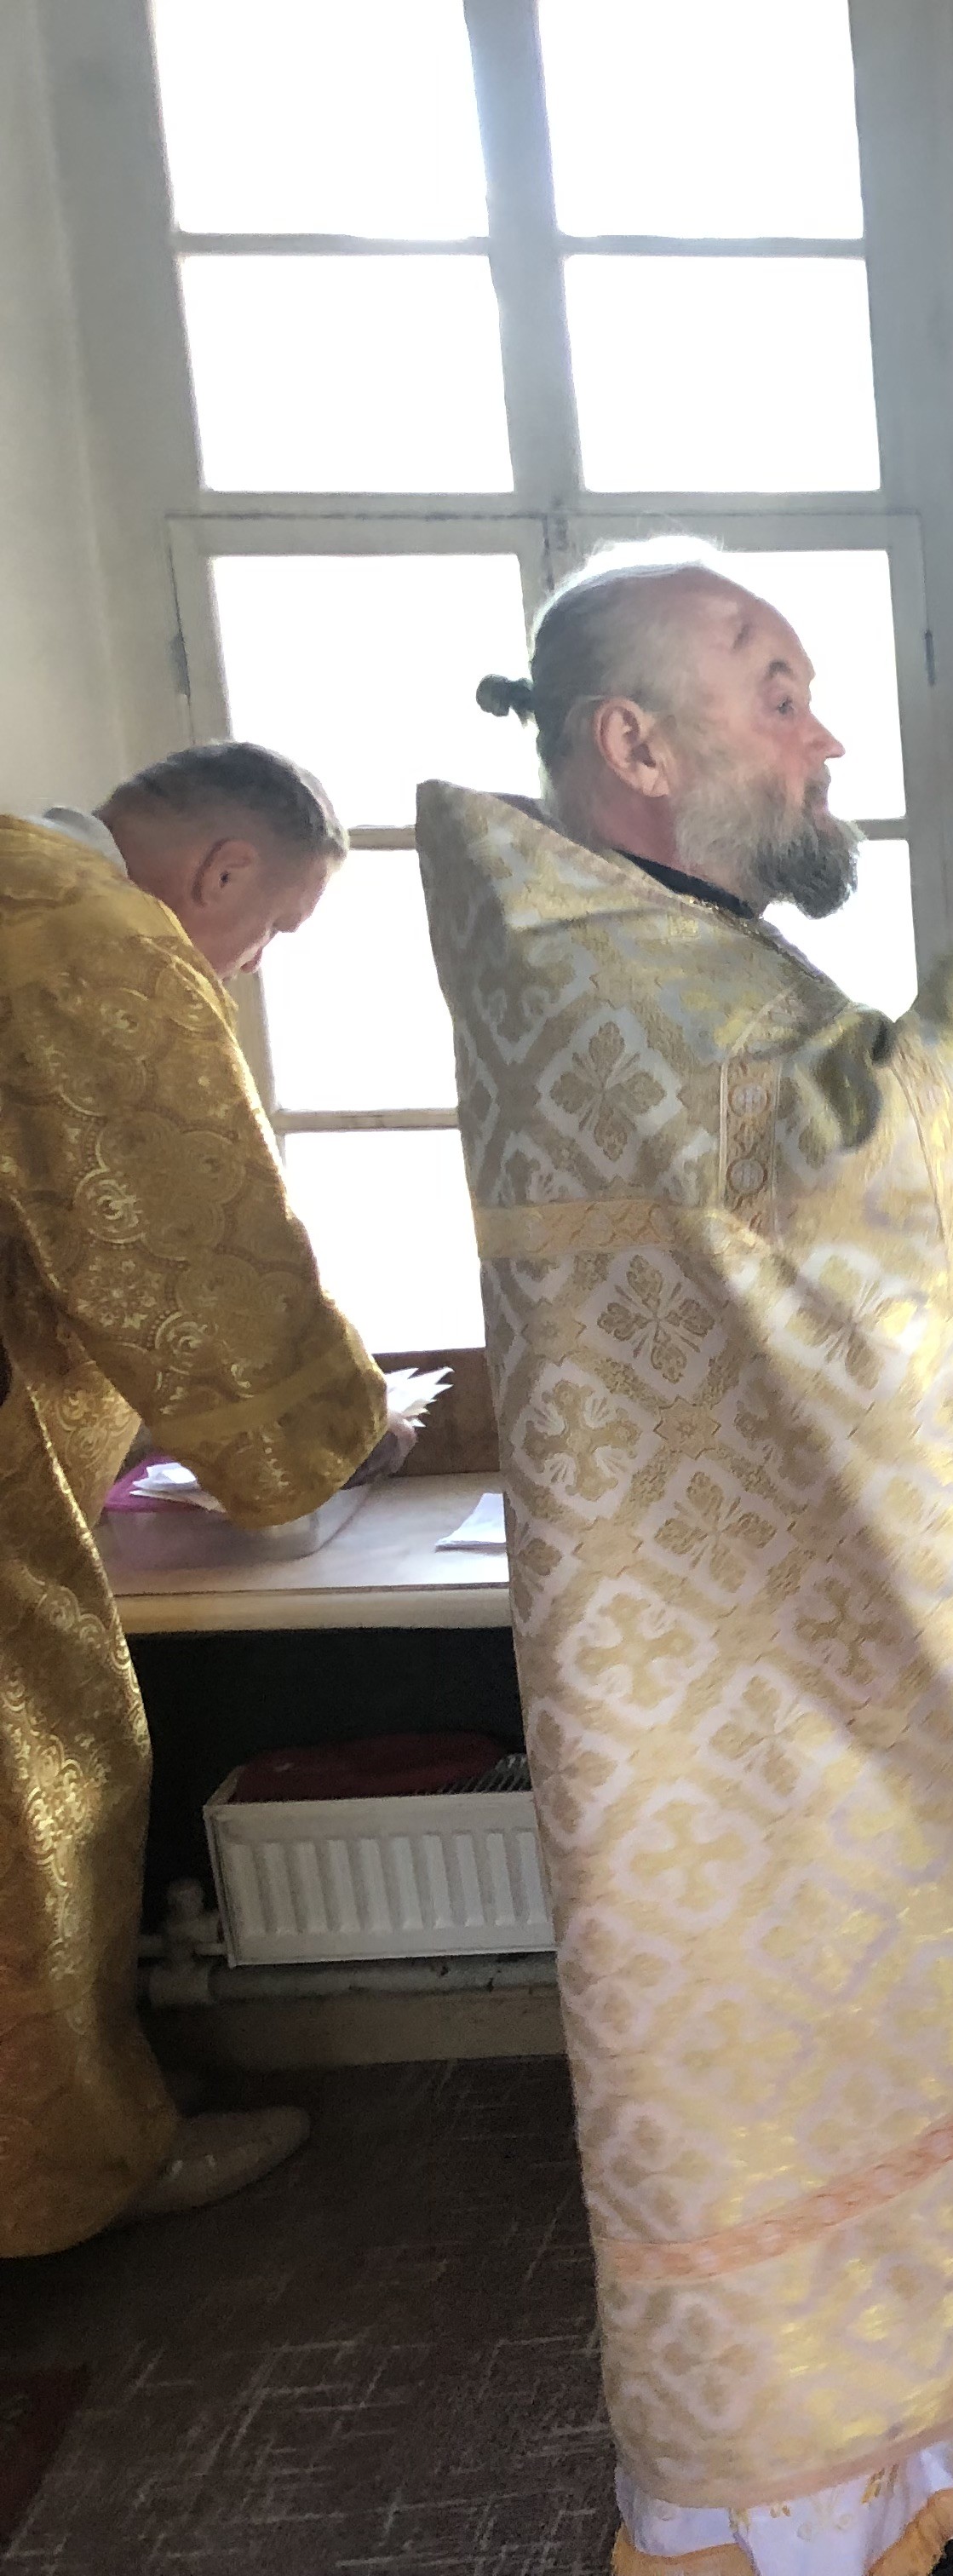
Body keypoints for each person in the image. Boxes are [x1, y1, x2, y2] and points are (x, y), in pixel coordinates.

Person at [419, 552, 953, 2576]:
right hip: (760, 1716)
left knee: (950, 2019)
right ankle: (834, 2495)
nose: (824, 735)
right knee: (852, 2069)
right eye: (775, 688)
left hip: (790, 1656)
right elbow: (906, 1166)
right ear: (635, 742)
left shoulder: (641, 952)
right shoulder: (602, 977)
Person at [0, 743, 394, 2256]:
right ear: (223, 869)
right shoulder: (91, 934)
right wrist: (333, 1427)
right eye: (271, 927)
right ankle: (66, 2168)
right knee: (48, 1773)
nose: (246, 966)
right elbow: (186, 1234)